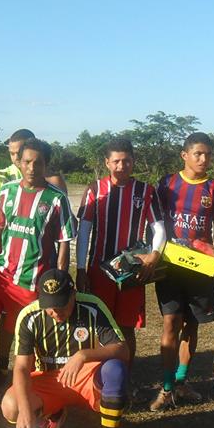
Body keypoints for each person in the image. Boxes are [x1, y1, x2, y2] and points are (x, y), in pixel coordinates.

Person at [0, 138, 74, 388]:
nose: (33, 167)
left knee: (14, 328)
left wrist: (61, 278)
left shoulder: (56, 199)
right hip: (0, 274)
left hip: (31, 281)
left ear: (46, 165)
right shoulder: (7, 191)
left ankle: (4, 371)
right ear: (19, 163)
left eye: (38, 162)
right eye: (28, 162)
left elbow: (64, 242)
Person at [1, 270, 131, 428]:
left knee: (115, 370)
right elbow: (22, 367)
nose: (55, 311)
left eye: (61, 304)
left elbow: (123, 350)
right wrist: (25, 409)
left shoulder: (92, 306)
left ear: (73, 295)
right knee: (11, 407)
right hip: (48, 380)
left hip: (85, 377)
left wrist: (83, 355)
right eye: (49, 307)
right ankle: (54, 412)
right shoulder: (29, 316)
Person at [152, 132, 214, 411]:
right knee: (171, 322)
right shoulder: (167, 184)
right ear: (184, 155)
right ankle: (167, 386)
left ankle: (182, 380)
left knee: (192, 324)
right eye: (198, 153)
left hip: (200, 267)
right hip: (171, 266)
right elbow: (155, 223)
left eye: (208, 154)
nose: (203, 159)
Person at [75, 138, 165, 370]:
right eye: (116, 161)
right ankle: (96, 376)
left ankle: (125, 377)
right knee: (97, 324)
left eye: (126, 161)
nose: (121, 166)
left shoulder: (146, 191)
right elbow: (84, 231)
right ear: (107, 162)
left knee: (126, 326)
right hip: (98, 270)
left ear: (133, 161)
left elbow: (159, 228)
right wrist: (81, 269)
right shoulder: (95, 190)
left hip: (131, 271)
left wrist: (154, 255)